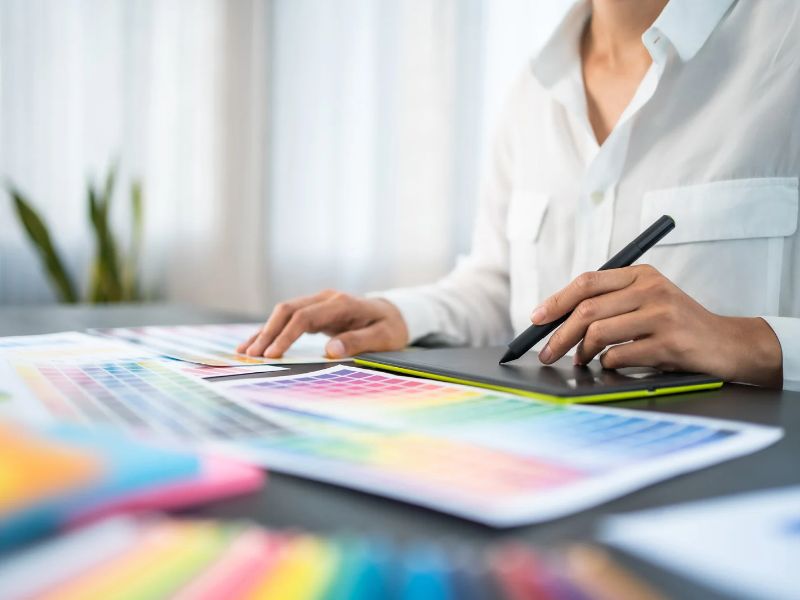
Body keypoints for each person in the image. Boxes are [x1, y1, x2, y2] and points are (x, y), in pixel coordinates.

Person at [239, 0, 800, 390]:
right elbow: (501, 288)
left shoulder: (785, 49)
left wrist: (746, 342)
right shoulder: (533, 90)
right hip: (550, 470)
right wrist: (397, 314)